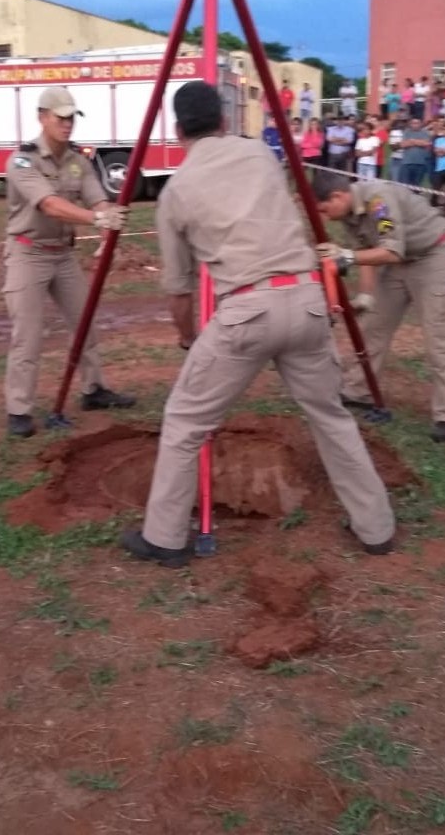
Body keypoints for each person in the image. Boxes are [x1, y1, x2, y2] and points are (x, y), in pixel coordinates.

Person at [120, 81, 396, 567]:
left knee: (185, 420)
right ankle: (376, 527)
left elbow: (179, 290)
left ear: (178, 129)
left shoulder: (176, 191)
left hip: (247, 311)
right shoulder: (261, 157)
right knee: (330, 415)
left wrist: (188, 338)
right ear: (225, 121)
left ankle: (164, 537)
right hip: (308, 300)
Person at [1, 86, 135, 438]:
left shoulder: (78, 160)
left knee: (85, 322)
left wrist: (108, 219)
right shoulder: (22, 161)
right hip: (27, 253)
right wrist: (97, 221)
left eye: (71, 117)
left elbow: (97, 200)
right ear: (42, 117)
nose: (67, 123)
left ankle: (93, 390)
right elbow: (49, 205)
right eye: (60, 117)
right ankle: (19, 410)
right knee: (27, 336)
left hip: (62, 254)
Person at [314, 172, 445, 443]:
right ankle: (358, 390)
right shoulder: (349, 213)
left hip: (431, 256)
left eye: (325, 209)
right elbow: (368, 252)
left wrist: (346, 256)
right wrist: (366, 296)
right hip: (397, 264)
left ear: (338, 196)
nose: (325, 216)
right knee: (372, 327)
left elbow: (391, 251)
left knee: (437, 338)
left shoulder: (377, 201)